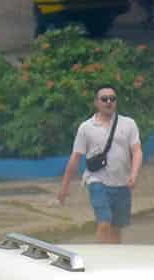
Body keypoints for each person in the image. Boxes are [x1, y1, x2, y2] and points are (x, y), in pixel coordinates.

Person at [56, 85, 143, 244]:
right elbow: (75, 158)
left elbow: (137, 151)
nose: (109, 102)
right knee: (104, 223)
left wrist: (134, 174)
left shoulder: (128, 124)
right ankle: (100, 257)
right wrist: (64, 188)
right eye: (104, 99)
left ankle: (113, 261)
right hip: (97, 181)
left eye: (112, 98)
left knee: (116, 228)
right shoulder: (86, 127)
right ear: (96, 102)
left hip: (122, 183)